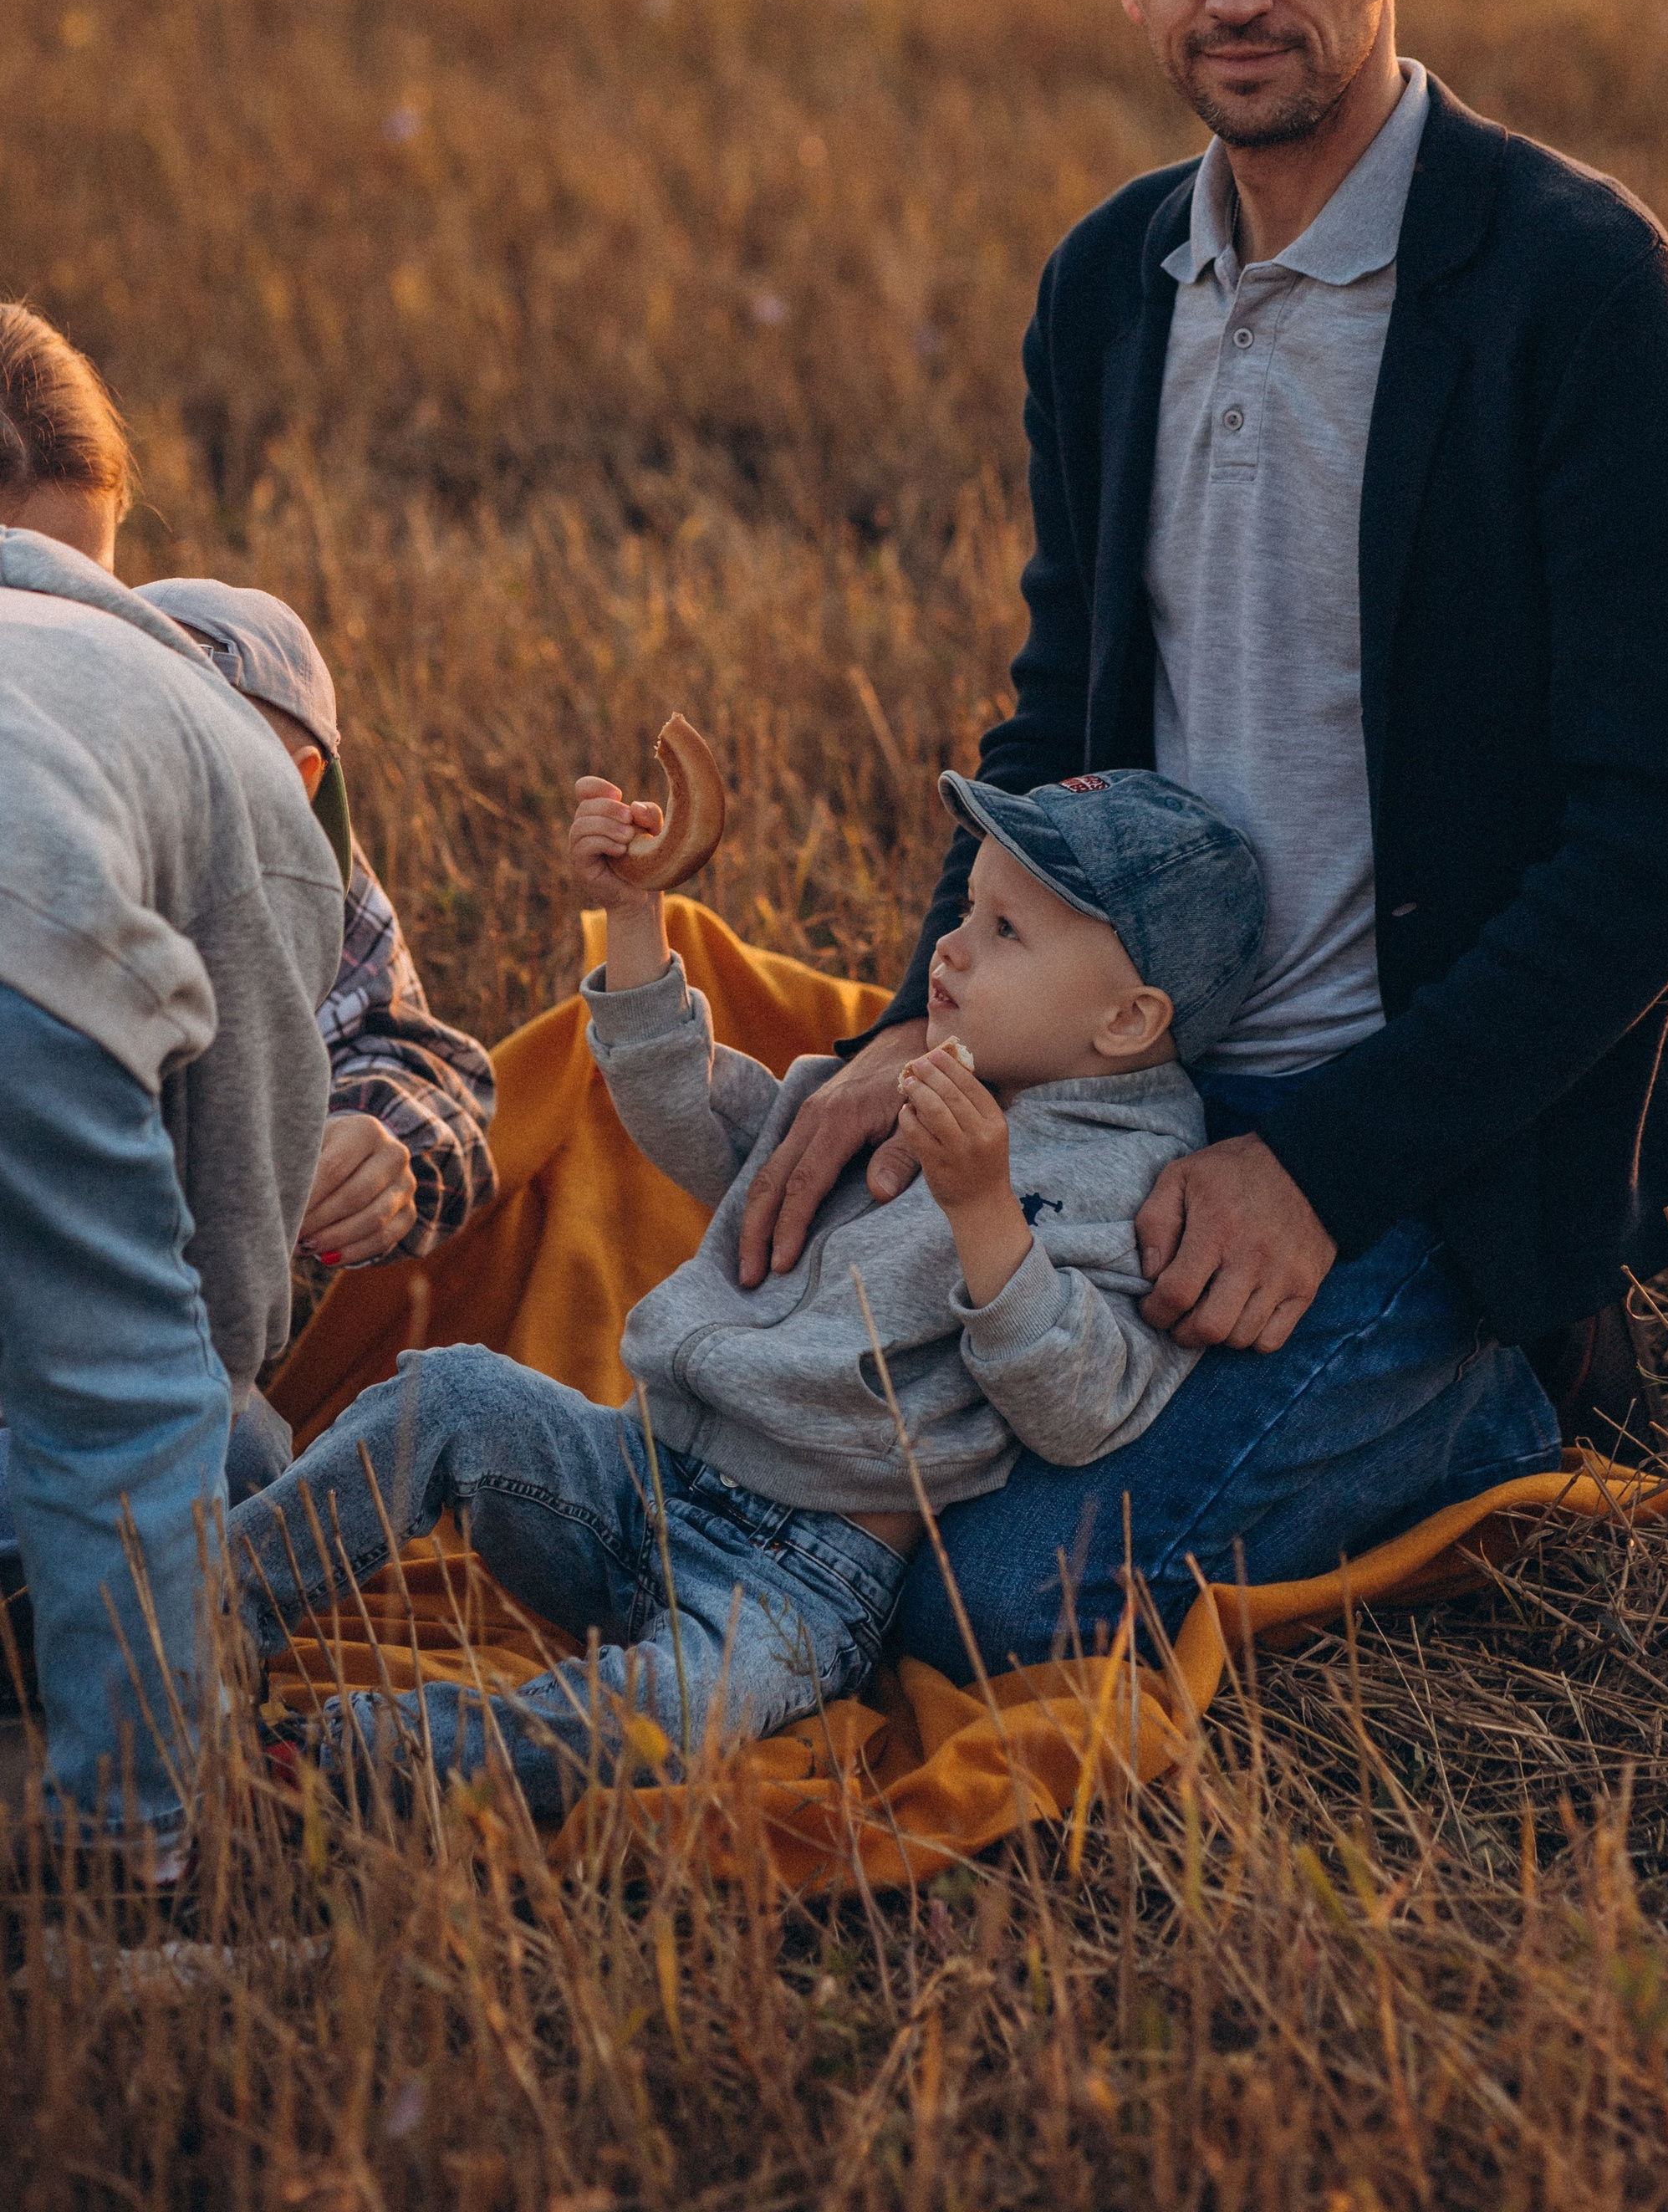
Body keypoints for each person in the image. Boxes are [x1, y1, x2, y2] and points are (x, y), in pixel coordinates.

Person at [728, 0, 1668, 1678]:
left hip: (1432, 1137)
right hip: (1121, 1083)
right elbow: (1058, 741)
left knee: (985, 1601)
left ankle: (1494, 1390)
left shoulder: (1575, 287)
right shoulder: (1105, 285)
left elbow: (1667, 826)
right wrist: (902, 1032)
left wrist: (1325, 1166)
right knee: (757, 1449)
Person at [226, 762, 1265, 1817]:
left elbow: (1082, 1410)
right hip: (635, 1477)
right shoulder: (917, 1073)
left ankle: (325, 1765)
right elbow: (704, 1124)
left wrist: (985, 1212)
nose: (948, 948)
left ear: (1129, 1020)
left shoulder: (1137, 1186)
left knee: (664, 1716)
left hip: (800, 1583)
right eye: (968, 908)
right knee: (448, 1394)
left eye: (1007, 933)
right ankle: (193, 1629)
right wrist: (635, 919)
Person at [0, 310, 343, 1856]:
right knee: (137, 1402)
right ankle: (129, 1854)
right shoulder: (223, 743)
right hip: (26, 939)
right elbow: (227, 1261)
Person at [138, 580, 497, 1293]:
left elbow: (414, 1060)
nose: (179, 799)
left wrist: (372, 1149)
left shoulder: (306, 864)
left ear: (298, 785)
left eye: (223, 772)